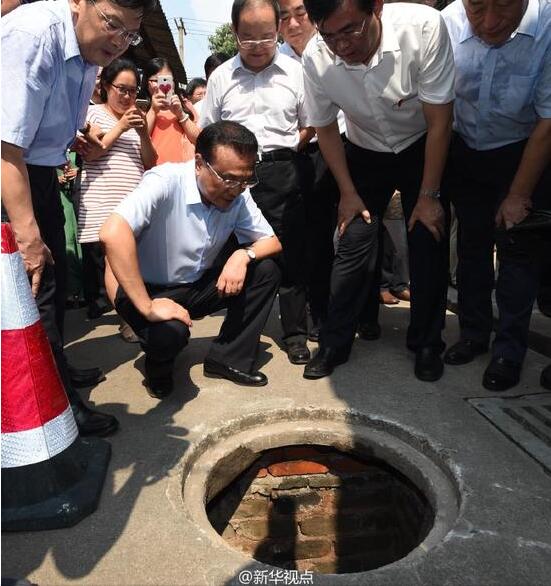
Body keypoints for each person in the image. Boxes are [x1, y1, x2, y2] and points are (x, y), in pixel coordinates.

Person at [1, 0, 157, 437]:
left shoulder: (91, 51)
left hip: (40, 171)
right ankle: (58, 408)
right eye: (111, 24)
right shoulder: (33, 35)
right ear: (77, 2)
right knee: (37, 289)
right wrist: (27, 236)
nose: (119, 41)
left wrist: (75, 139)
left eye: (130, 34)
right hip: (12, 176)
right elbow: (5, 146)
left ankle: (57, 373)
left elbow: (45, 121)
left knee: (52, 289)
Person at [301, 0, 455, 381]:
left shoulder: (424, 28)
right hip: (365, 150)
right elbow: (325, 128)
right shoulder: (316, 57)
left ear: (377, 7)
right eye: (329, 35)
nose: (341, 45)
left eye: (350, 29)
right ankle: (334, 343)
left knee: (427, 236)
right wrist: (347, 192)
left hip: (422, 144)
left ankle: (427, 343)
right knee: (353, 238)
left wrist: (429, 196)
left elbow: (440, 121)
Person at [99, 121, 282, 397]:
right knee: (168, 335)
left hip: (195, 285)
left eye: (245, 180)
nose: (236, 189)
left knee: (265, 270)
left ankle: (228, 358)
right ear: (199, 163)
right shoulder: (165, 180)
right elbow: (112, 233)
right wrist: (147, 306)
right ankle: (158, 367)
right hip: (147, 289)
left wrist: (243, 254)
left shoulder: (238, 194)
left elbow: (272, 241)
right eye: (229, 179)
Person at [441, 0, 551, 391]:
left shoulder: (548, 24)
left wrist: (519, 193)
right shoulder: (448, 22)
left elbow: (548, 121)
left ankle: (509, 350)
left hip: (526, 150)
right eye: (476, 7)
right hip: (466, 150)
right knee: (471, 247)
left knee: (518, 252)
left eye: (503, 6)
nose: (488, 23)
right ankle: (473, 333)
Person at [201, 0, 312, 366]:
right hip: (235, 181)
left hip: (283, 173)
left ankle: (295, 333)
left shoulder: (295, 72)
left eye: (267, 36)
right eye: (248, 38)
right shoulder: (221, 78)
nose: (259, 45)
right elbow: (208, 133)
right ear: (235, 33)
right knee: (240, 254)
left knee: (291, 254)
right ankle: (238, 338)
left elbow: (311, 123)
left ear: (278, 29)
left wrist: (288, 151)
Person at [78, 58, 157, 341]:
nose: (127, 96)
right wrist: (122, 126)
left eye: (133, 91)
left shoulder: (136, 119)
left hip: (132, 198)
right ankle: (128, 319)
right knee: (115, 261)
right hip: (104, 198)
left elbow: (150, 161)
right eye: (121, 89)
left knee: (131, 261)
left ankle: (135, 313)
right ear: (105, 86)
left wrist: (143, 133)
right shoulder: (92, 114)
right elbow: (91, 153)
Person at [278, 0, 342, 342]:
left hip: (343, 147)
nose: (292, 24)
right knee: (303, 239)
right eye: (283, 17)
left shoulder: (337, 45)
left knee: (340, 235)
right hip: (298, 154)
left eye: (300, 13)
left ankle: (345, 310)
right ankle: (307, 315)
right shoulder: (275, 61)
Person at [142, 57, 201, 166]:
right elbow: (140, 139)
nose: (162, 85)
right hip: (154, 172)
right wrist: (153, 110)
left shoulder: (186, 107)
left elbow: (199, 140)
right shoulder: (141, 109)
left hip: (183, 172)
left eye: (167, 80)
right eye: (156, 80)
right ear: (146, 82)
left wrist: (181, 114)